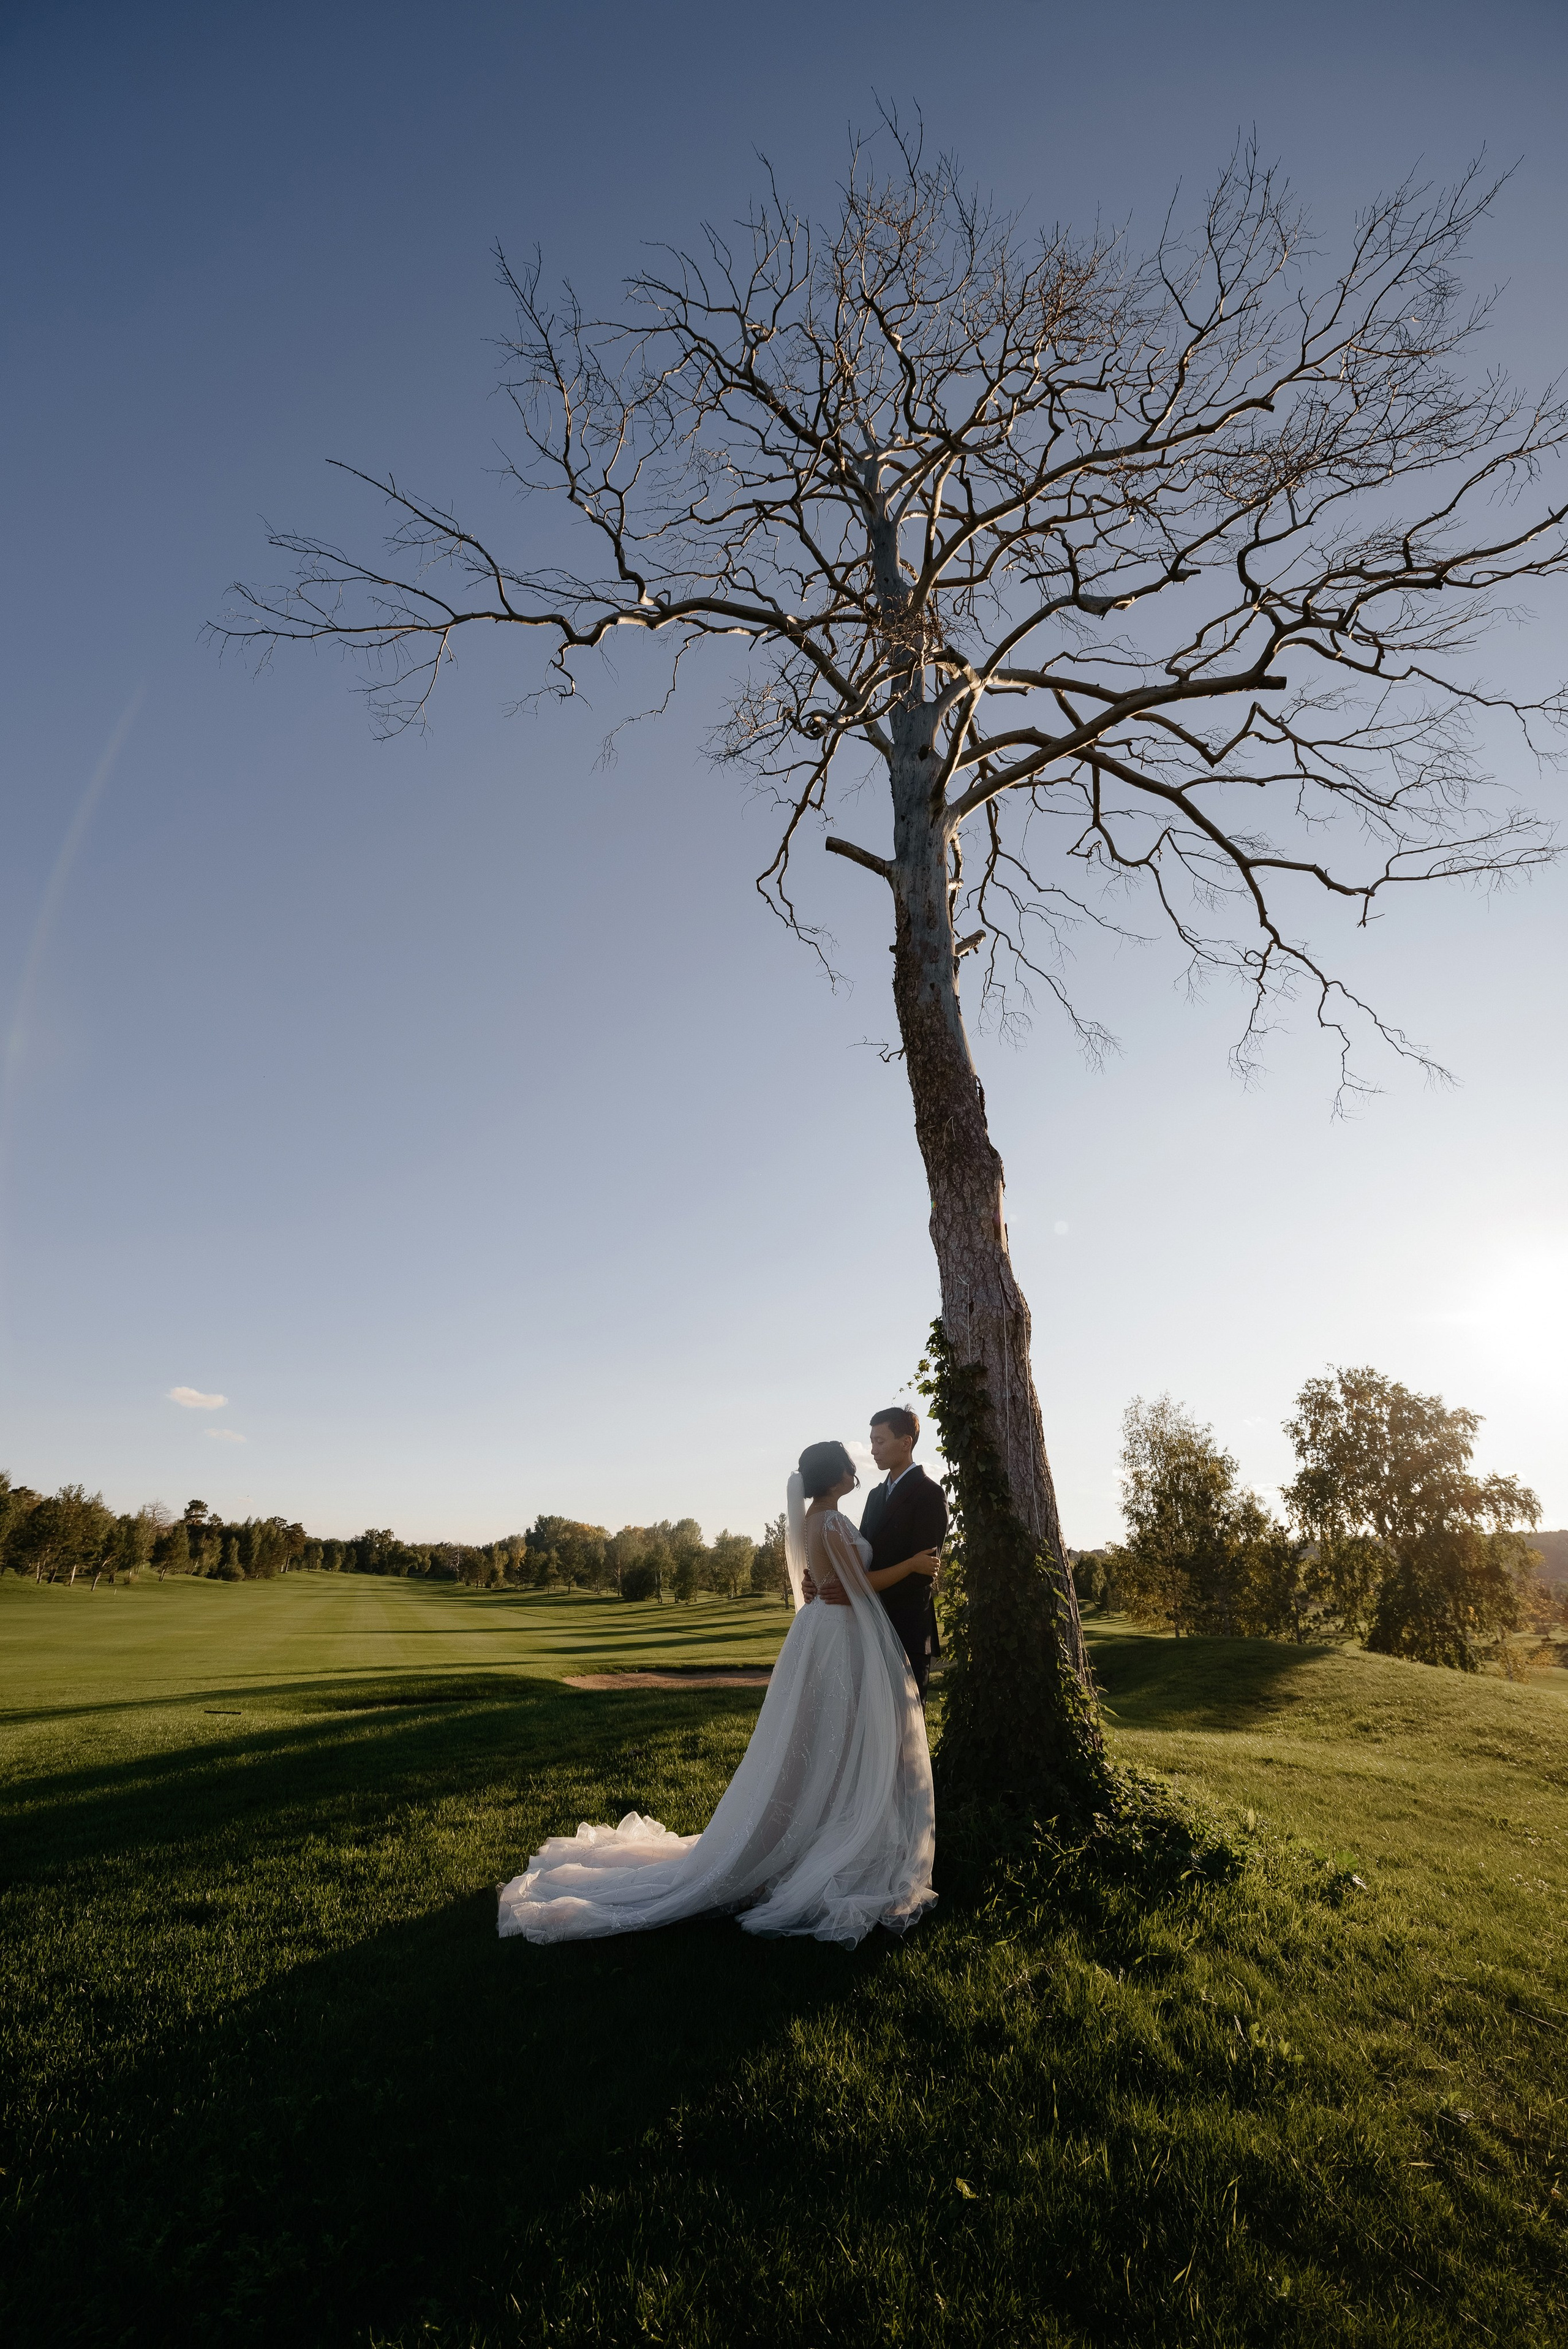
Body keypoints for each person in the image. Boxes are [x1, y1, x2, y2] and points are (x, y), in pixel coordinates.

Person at [497, 1439, 938, 1947]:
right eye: (848, 1464)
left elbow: (831, 1578)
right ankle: (824, 1831)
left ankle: (813, 1822)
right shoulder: (832, 1522)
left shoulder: (817, 1520)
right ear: (835, 1474)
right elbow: (858, 1583)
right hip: (835, 1636)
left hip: (821, 1632)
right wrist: (909, 1567)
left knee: (817, 1737)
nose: (855, 1469)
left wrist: (821, 1582)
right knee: (830, 1735)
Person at [802, 1408, 947, 1702]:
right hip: (865, 1629)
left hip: (906, 1628)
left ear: (905, 1443)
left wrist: (857, 1592)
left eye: (880, 1442)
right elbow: (857, 1555)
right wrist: (818, 1578)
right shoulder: (874, 1496)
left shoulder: (930, 1494)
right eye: (871, 1441)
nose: (872, 1450)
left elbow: (923, 1574)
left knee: (904, 1727)